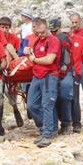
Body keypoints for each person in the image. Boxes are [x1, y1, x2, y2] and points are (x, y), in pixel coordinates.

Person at [26, 18, 60, 148]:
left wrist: (35, 59)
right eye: (38, 32)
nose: (40, 35)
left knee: (47, 104)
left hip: (49, 76)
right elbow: (34, 57)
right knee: (32, 105)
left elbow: (50, 59)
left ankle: (47, 134)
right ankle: (46, 127)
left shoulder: (53, 40)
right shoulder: (38, 41)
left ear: (47, 28)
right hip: (37, 75)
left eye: (42, 32)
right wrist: (29, 54)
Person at [49, 18, 83, 135]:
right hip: (53, 72)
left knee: (65, 97)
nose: (53, 33)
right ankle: (55, 125)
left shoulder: (64, 39)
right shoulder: (51, 39)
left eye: (55, 30)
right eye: (51, 31)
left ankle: (67, 123)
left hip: (65, 72)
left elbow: (67, 58)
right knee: (54, 98)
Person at [0, 16, 24, 128]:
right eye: (2, 27)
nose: (4, 30)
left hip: (11, 68)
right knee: (0, 93)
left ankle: (15, 109)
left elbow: (19, 52)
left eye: (6, 27)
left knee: (11, 93)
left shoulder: (14, 38)